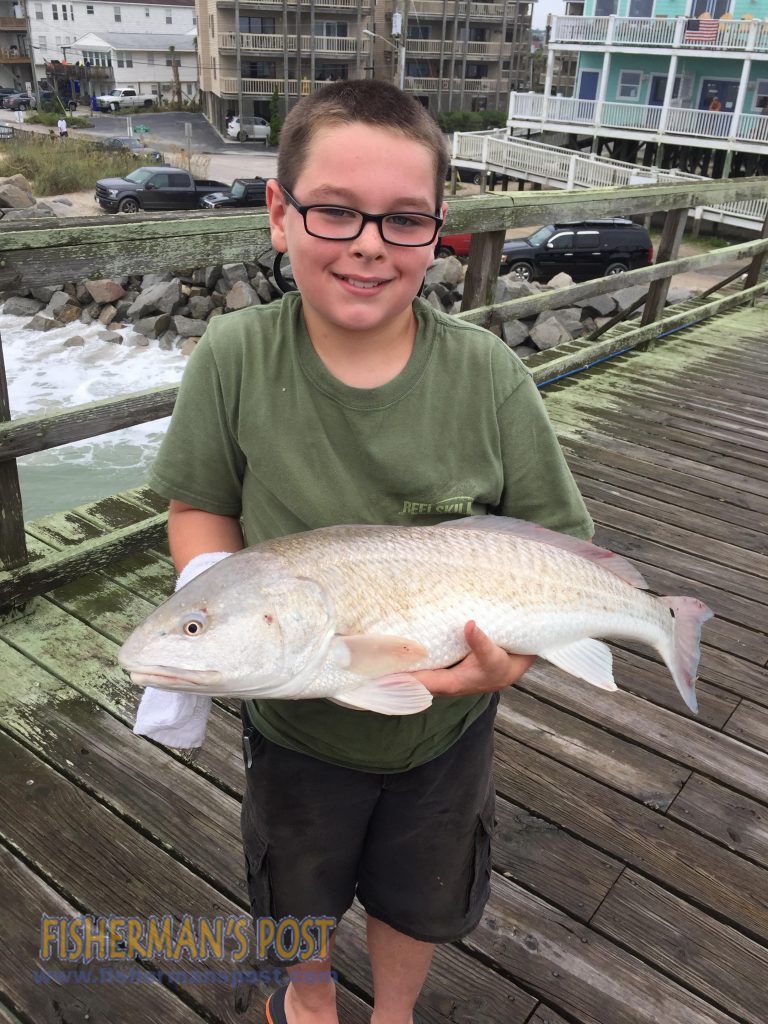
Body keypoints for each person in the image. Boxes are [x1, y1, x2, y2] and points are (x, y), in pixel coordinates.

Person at [144, 79, 592, 1024]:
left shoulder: (491, 377)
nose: (368, 245)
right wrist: (207, 603)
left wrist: (511, 660)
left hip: (445, 735)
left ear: (438, 231)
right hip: (294, 728)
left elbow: (559, 549)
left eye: (403, 220)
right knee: (295, 893)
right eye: (335, 211)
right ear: (279, 213)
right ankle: (308, 1003)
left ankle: (392, 1012)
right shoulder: (231, 357)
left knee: (422, 895)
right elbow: (199, 510)